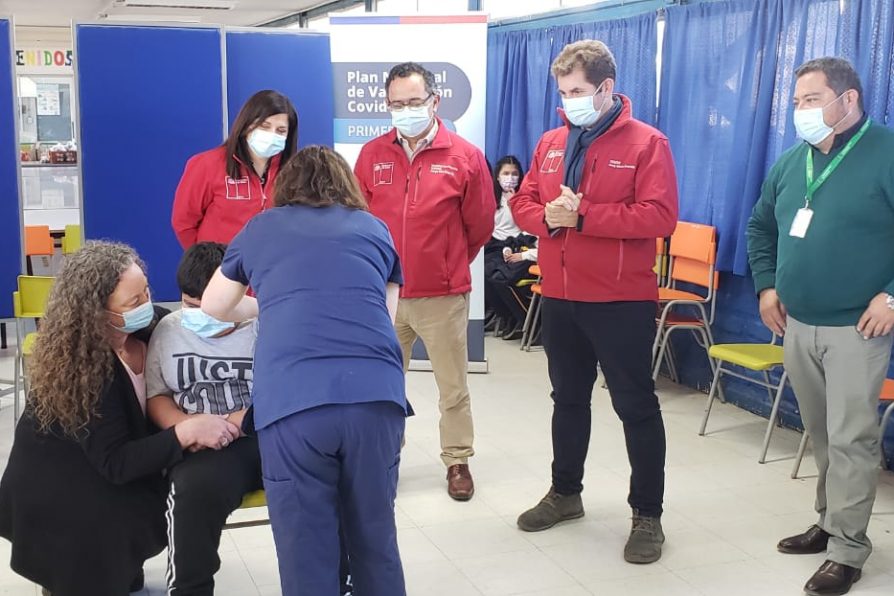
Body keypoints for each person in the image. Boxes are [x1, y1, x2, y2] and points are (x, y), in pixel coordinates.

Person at [201, 145, 408, 596]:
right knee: (375, 535)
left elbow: (215, 305)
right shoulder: (375, 229)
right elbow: (384, 316)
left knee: (305, 543)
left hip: (295, 404)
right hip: (375, 399)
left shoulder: (262, 228)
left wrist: (271, 305)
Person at [510, 40, 678, 564]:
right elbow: (523, 202)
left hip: (619, 298)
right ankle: (566, 493)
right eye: (563, 93)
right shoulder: (552, 141)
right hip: (559, 293)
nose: (569, 101)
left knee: (635, 406)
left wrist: (585, 217)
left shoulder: (648, 143)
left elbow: (659, 217)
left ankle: (647, 516)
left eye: (578, 91)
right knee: (568, 399)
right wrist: (548, 219)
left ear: (606, 88)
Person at [0, 241, 239, 596]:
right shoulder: (82, 370)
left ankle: (122, 568)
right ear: (97, 312)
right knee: (110, 535)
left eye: (146, 292)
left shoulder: (150, 326)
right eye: (134, 302)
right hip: (60, 500)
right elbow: (116, 462)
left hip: (100, 479)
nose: (147, 305)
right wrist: (186, 431)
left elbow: (217, 313)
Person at [747, 57, 894, 596]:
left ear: (847, 100)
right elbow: (760, 225)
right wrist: (766, 285)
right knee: (823, 434)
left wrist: (892, 297)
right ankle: (830, 523)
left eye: (811, 100)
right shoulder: (792, 163)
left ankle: (850, 550)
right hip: (797, 325)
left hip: (859, 328)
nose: (800, 112)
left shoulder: (886, 153)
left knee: (852, 438)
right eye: (796, 103)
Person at [353, 62, 495, 500]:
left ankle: (457, 460)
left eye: (414, 102)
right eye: (396, 104)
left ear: (434, 101)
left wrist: (448, 263)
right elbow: (358, 219)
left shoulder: (464, 157)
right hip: (385, 297)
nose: (405, 110)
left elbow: (480, 226)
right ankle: (385, 457)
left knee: (452, 385)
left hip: (443, 295)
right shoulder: (372, 155)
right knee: (382, 386)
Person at [145, 242, 262, 596]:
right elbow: (157, 396)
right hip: (197, 442)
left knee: (320, 476)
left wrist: (236, 421)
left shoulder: (263, 328)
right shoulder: (169, 330)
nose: (198, 315)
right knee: (192, 490)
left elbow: (288, 393)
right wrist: (185, 427)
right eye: (190, 305)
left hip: (257, 436)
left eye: (210, 306)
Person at [171, 90, 298, 248]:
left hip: (271, 268)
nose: (272, 134)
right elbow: (184, 223)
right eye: (264, 126)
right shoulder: (206, 164)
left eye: (281, 130)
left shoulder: (293, 172)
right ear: (246, 125)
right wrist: (206, 263)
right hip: (219, 268)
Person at [484, 155, 538, 341]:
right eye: (506, 173)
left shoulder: (525, 198)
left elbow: (529, 228)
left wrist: (515, 202)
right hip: (497, 245)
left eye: (514, 174)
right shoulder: (492, 198)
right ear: (497, 176)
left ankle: (526, 323)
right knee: (485, 273)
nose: (510, 177)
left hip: (522, 245)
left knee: (502, 276)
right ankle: (505, 317)